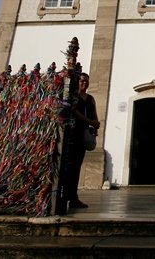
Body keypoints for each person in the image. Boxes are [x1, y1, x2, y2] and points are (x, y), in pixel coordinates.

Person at [68, 72, 101, 210]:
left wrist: (95, 125)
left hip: (83, 135)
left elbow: (94, 114)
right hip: (72, 133)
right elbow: (73, 112)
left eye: (87, 81)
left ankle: (73, 197)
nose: (84, 83)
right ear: (77, 81)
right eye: (82, 81)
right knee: (69, 166)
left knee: (76, 166)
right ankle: (67, 196)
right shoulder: (73, 96)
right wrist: (89, 121)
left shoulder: (90, 98)